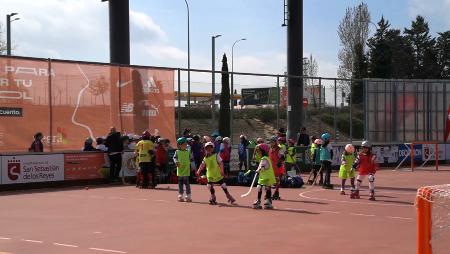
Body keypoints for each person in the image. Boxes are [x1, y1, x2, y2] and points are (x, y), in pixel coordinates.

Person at [252, 143, 276, 209]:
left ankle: (265, 201)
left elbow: (262, 167)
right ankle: (266, 201)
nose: (257, 152)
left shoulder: (264, 158)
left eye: (259, 151)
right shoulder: (264, 158)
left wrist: (258, 170)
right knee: (262, 188)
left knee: (262, 188)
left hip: (267, 177)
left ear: (263, 151)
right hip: (264, 177)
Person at [173, 137, 192, 202]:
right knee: (180, 184)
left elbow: (191, 159)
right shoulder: (177, 152)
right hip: (180, 170)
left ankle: (188, 196)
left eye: (186, 144)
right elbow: (174, 158)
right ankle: (180, 195)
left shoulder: (188, 152)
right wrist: (176, 162)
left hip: (186, 170)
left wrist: (193, 167)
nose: (185, 145)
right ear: (179, 145)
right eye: (184, 144)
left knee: (187, 184)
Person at [269, 136, 284, 200]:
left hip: (278, 167)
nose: (271, 143)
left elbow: (283, 157)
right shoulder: (270, 149)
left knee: (277, 180)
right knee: (270, 181)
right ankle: (269, 194)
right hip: (271, 167)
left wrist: (280, 162)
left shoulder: (279, 149)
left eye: (272, 142)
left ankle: (276, 192)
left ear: (275, 142)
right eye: (271, 142)